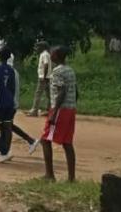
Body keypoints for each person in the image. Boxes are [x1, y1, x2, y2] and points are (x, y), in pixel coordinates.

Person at [41, 45, 78, 182]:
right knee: (67, 143)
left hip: (60, 110)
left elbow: (61, 91)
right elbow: (75, 91)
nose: (49, 54)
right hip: (70, 109)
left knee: (45, 140)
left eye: (51, 53)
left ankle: (49, 175)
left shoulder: (56, 72)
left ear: (55, 55)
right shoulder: (70, 70)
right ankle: (71, 178)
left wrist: (54, 112)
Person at [28, 41, 52, 117]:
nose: (36, 49)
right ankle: (49, 111)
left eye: (38, 47)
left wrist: (44, 77)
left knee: (38, 94)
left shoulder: (44, 54)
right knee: (49, 95)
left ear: (42, 47)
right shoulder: (47, 54)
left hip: (43, 77)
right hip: (48, 77)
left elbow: (46, 64)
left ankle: (34, 110)